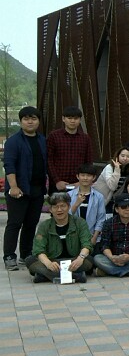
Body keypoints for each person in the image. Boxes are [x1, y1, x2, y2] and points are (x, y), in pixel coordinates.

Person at [4, 106, 48, 270]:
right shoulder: (14, 141)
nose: (30, 122)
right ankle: (9, 256)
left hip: (36, 189)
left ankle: (26, 254)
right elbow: (9, 165)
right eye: (26, 119)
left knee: (31, 223)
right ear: (21, 121)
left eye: (34, 118)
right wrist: (14, 186)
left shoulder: (42, 140)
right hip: (19, 191)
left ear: (38, 121)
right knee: (15, 223)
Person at [26, 192, 93, 283]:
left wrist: (80, 259)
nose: (59, 210)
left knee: (89, 260)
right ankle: (76, 275)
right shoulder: (44, 225)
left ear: (69, 207)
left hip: (74, 260)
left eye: (63, 206)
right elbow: (38, 249)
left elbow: (87, 244)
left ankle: (45, 276)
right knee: (30, 261)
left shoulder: (80, 222)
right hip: (52, 261)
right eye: (55, 207)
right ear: (50, 209)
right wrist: (48, 263)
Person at [93, 193, 129, 277]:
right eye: (123, 207)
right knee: (97, 259)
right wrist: (112, 258)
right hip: (114, 257)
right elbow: (104, 245)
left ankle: (109, 271)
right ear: (116, 209)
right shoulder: (109, 223)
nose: (128, 209)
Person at [46, 105, 94, 193]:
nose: (72, 121)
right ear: (63, 119)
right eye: (69, 118)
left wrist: (81, 181)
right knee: (58, 206)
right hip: (58, 184)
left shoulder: (85, 138)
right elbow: (49, 160)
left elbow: (88, 162)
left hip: (79, 184)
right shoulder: (54, 136)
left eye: (76, 118)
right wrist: (57, 180)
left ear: (80, 120)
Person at [68, 163, 106, 251]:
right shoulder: (69, 195)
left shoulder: (98, 197)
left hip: (91, 235)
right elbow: (65, 217)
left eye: (88, 175)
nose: (85, 178)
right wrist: (77, 203)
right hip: (73, 236)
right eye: (82, 175)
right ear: (77, 176)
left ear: (94, 178)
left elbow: (101, 219)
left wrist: (94, 237)